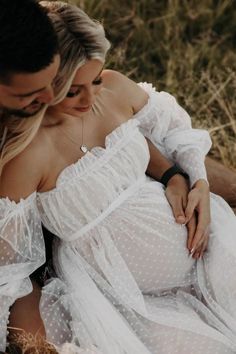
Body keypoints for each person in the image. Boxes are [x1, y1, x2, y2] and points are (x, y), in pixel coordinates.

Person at [0, 1, 236, 353]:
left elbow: (161, 131)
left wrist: (185, 177)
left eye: (93, 81)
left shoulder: (108, 91)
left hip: (204, 248)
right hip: (120, 298)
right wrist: (33, 344)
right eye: (72, 89)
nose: (88, 97)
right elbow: (13, 268)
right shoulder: (26, 157)